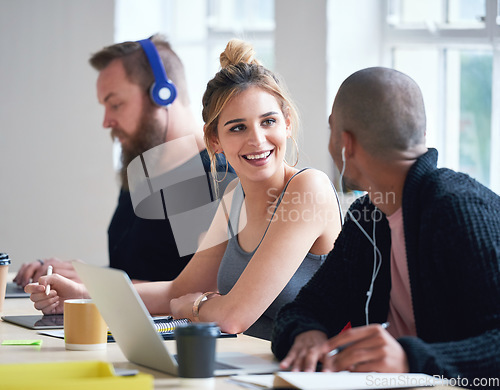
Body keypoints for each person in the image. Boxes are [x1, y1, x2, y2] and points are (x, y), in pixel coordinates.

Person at [25, 39, 343, 341]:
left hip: (306, 375)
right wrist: (82, 294)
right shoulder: (234, 197)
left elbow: (233, 316)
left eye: (268, 121)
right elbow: (177, 290)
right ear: (214, 140)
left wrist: (191, 307)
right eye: (237, 127)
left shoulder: (307, 188)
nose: (257, 139)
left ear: (287, 123)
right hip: (248, 368)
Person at [271, 67, 500, 384]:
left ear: (345, 144)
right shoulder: (366, 218)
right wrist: (307, 333)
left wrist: (409, 358)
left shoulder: (460, 210)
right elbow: (305, 309)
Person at [14, 34, 232, 286]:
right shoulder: (143, 168)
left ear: (163, 94)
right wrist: (69, 277)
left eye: (115, 104)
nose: (106, 121)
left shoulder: (211, 176)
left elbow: (202, 292)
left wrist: (96, 283)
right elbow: (138, 272)